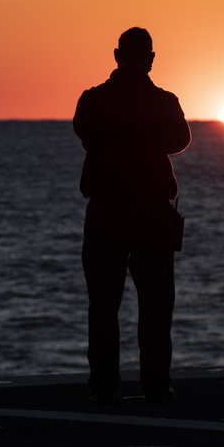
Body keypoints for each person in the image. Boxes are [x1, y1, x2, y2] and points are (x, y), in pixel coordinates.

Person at [73, 27, 192, 404]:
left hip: (106, 211)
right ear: (151, 59)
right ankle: (156, 385)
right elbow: (180, 141)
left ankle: (102, 386)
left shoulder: (93, 100)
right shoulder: (165, 101)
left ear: (116, 55)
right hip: (151, 213)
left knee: (103, 306)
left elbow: (85, 133)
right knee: (156, 307)